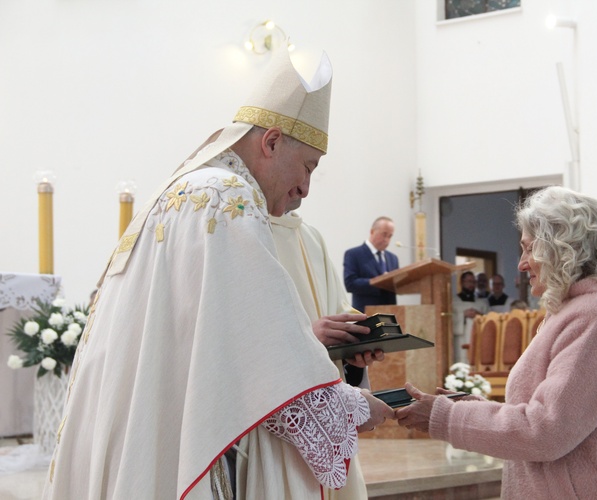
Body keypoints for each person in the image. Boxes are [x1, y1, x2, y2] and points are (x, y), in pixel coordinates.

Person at [44, 49, 393, 499]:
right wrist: (355, 408)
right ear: (270, 142)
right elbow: (261, 348)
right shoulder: (226, 198)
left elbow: (217, 341)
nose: (306, 187)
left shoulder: (185, 189)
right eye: (308, 167)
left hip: (137, 428)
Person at [396, 186, 597, 498]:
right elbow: (558, 416)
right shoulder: (584, 311)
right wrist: (476, 409)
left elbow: (546, 431)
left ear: (563, 248)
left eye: (529, 248)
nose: (521, 264)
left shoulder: (595, 318)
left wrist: (446, 417)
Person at [270, 204, 384, 500]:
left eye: (314, 170)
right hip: (278, 423)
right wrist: (309, 337)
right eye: (305, 168)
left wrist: (353, 354)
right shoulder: (246, 230)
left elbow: (338, 310)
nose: (304, 188)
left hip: (327, 403)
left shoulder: (311, 237)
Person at [343, 216, 399, 313]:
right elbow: (350, 284)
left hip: (390, 313)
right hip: (365, 314)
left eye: (390, 236)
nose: (387, 239)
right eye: (384, 234)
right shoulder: (354, 254)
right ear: (372, 231)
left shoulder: (393, 258)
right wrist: (379, 281)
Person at [451, 271, 488, 363]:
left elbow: (489, 320)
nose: (471, 284)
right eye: (468, 281)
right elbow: (448, 320)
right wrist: (463, 315)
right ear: (462, 283)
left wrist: (479, 315)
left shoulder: (482, 303)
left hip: (478, 339)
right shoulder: (453, 302)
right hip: (460, 340)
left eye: (473, 282)